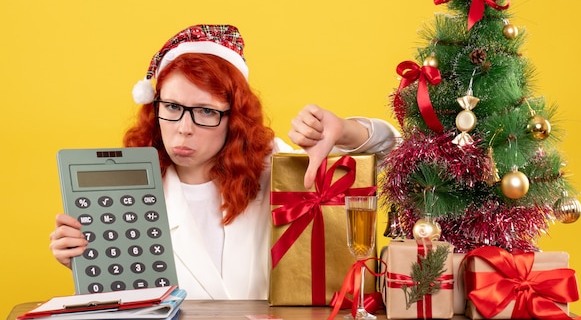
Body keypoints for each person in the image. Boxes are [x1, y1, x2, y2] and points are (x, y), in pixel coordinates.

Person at [49, 24, 399, 300]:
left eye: (205, 111)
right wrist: (87, 261)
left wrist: (346, 132)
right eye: (171, 107)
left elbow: (397, 157)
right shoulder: (125, 187)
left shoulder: (271, 167)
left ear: (235, 117)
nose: (183, 129)